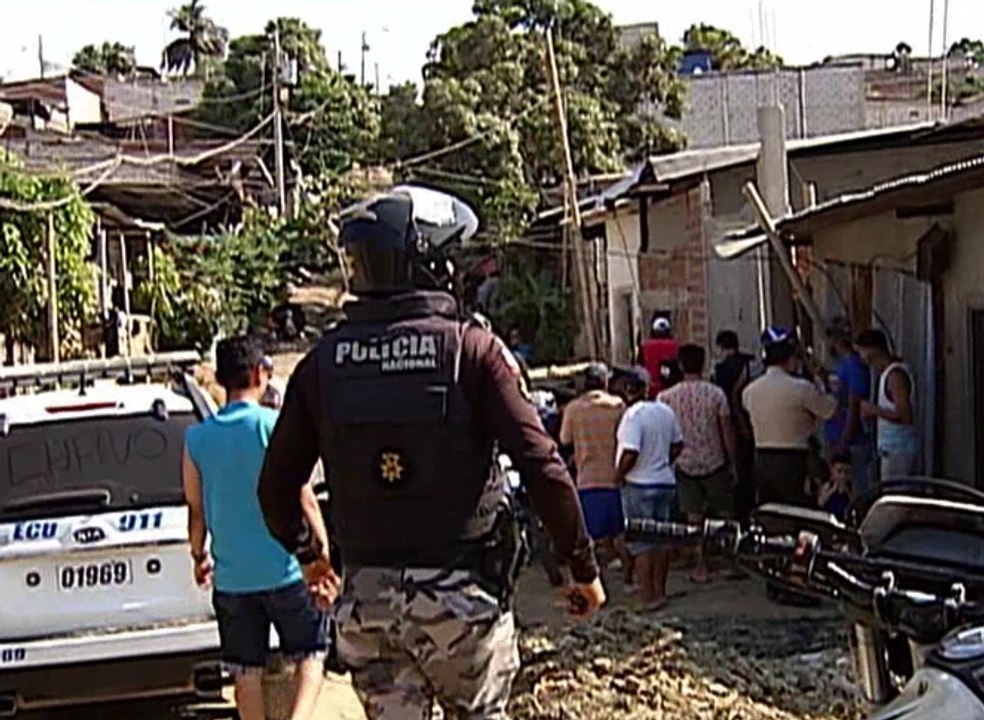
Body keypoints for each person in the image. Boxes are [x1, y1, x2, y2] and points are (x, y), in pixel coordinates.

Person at [256, 188, 604, 719]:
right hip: (462, 603)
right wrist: (580, 566)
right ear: (433, 263)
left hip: (367, 605)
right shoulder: (473, 351)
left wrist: (310, 557)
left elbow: (275, 489)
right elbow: (542, 466)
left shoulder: (320, 365)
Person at [183, 336, 329, 720]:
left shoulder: (196, 438)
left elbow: (196, 512)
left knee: (245, 671)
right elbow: (304, 496)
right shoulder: (273, 425)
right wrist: (322, 553)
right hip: (285, 571)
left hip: (232, 579)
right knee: (312, 652)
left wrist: (198, 556)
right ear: (261, 373)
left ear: (219, 379)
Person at [659, 344, 735, 584]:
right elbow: (726, 430)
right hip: (715, 460)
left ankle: (700, 565)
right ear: (702, 364)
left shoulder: (666, 397)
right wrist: (733, 461)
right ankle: (729, 561)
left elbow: (665, 435)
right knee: (724, 513)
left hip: (684, 463)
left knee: (693, 517)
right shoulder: (716, 394)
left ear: (680, 366)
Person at [742, 327, 837, 507]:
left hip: (762, 459)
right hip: (795, 460)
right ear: (790, 357)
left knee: (769, 512)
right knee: (799, 512)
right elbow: (829, 409)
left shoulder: (749, 391)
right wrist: (823, 383)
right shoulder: (801, 388)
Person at [615, 367, 684, 610]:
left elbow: (630, 452)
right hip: (665, 482)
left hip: (639, 484)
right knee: (662, 539)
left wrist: (618, 476)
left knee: (642, 543)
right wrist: (663, 461)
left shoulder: (633, 416)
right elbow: (678, 444)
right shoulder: (665, 412)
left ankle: (647, 595)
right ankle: (661, 592)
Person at [560, 363, 632, 586]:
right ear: (606, 383)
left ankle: (592, 584)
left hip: (587, 478)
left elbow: (565, 439)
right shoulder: (618, 406)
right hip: (616, 477)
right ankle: (630, 579)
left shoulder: (574, 408)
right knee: (620, 532)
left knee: (589, 537)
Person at [855, 329, 921, 481]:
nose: (862, 358)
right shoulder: (885, 375)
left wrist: (874, 410)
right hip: (889, 450)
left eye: (862, 352)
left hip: (899, 450)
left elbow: (905, 415)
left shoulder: (895, 376)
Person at [712, 330, 757, 520]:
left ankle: (740, 512)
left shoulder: (721, 370)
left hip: (731, 423)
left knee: (737, 468)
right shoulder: (751, 364)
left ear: (721, 348)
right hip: (754, 421)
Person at [823, 320, 872, 496]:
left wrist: (844, 441)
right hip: (837, 437)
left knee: (855, 490)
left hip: (852, 442)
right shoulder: (841, 366)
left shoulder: (854, 366)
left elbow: (854, 404)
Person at [638, 316, 680, 400]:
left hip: (651, 387)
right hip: (671, 387)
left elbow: (640, 365)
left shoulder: (645, 346)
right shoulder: (675, 345)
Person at [806, 451, 852, 522]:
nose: (843, 476)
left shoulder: (849, 487)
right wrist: (833, 490)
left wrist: (847, 492)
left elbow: (852, 503)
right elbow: (820, 503)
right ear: (832, 471)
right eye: (839, 472)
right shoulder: (828, 486)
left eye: (846, 472)